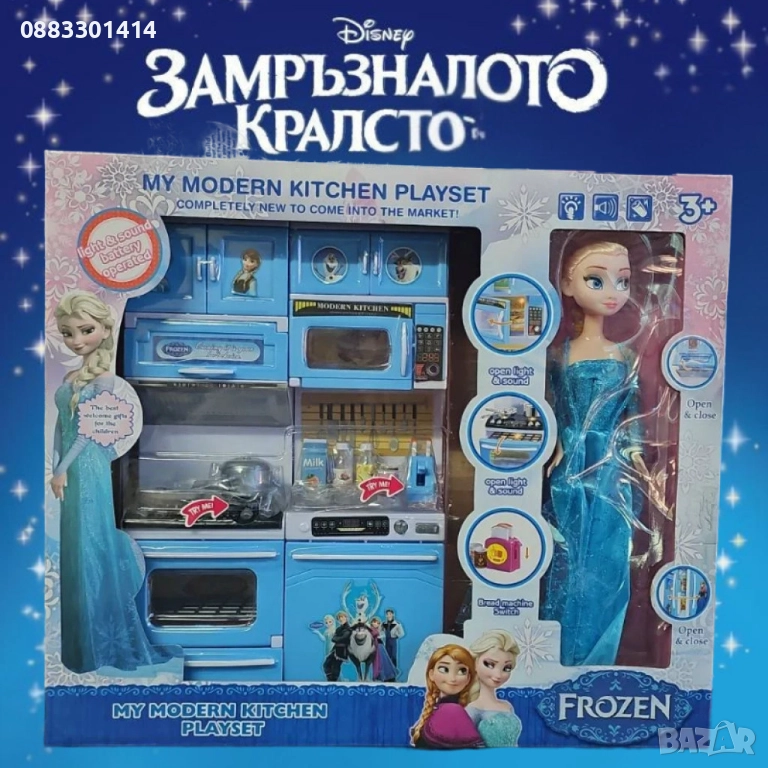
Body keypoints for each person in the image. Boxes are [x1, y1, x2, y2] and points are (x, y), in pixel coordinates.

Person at [541, 240, 652, 667]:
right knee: (566, 558)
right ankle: (557, 651)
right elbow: (549, 407)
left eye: (623, 282)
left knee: (607, 561)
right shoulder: (558, 354)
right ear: (568, 285)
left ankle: (595, 656)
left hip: (611, 469)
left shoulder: (625, 354)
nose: (613, 292)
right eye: (596, 279)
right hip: (570, 464)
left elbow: (632, 413)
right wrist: (553, 443)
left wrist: (636, 454)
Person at [51, 291, 173, 674]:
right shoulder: (69, 378)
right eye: (68, 333)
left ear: (105, 330)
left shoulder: (104, 381)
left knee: (92, 546)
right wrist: (54, 465)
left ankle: (100, 648)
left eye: (85, 330)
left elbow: (85, 434)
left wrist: (62, 468)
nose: (76, 340)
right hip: (68, 471)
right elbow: (61, 429)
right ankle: (79, 648)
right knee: (74, 549)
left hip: (88, 468)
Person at [410, 644, 484, 749]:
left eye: (461, 671)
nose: (452, 678)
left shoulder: (452, 710)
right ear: (431, 674)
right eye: (444, 669)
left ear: (468, 678)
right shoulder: (439, 709)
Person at [466, 630, 523, 747]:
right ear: (475, 663)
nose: (498, 675)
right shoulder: (473, 710)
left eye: (506, 668)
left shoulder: (507, 706)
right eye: (489, 664)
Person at [323, 611, 352, 681]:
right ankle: (330, 679)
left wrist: (336, 638)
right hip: (335, 649)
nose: (341, 619)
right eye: (339, 618)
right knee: (326, 664)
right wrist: (336, 638)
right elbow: (334, 638)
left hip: (342, 650)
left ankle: (334, 680)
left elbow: (342, 638)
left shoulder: (348, 629)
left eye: (342, 617)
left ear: (346, 618)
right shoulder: (338, 629)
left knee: (335, 666)